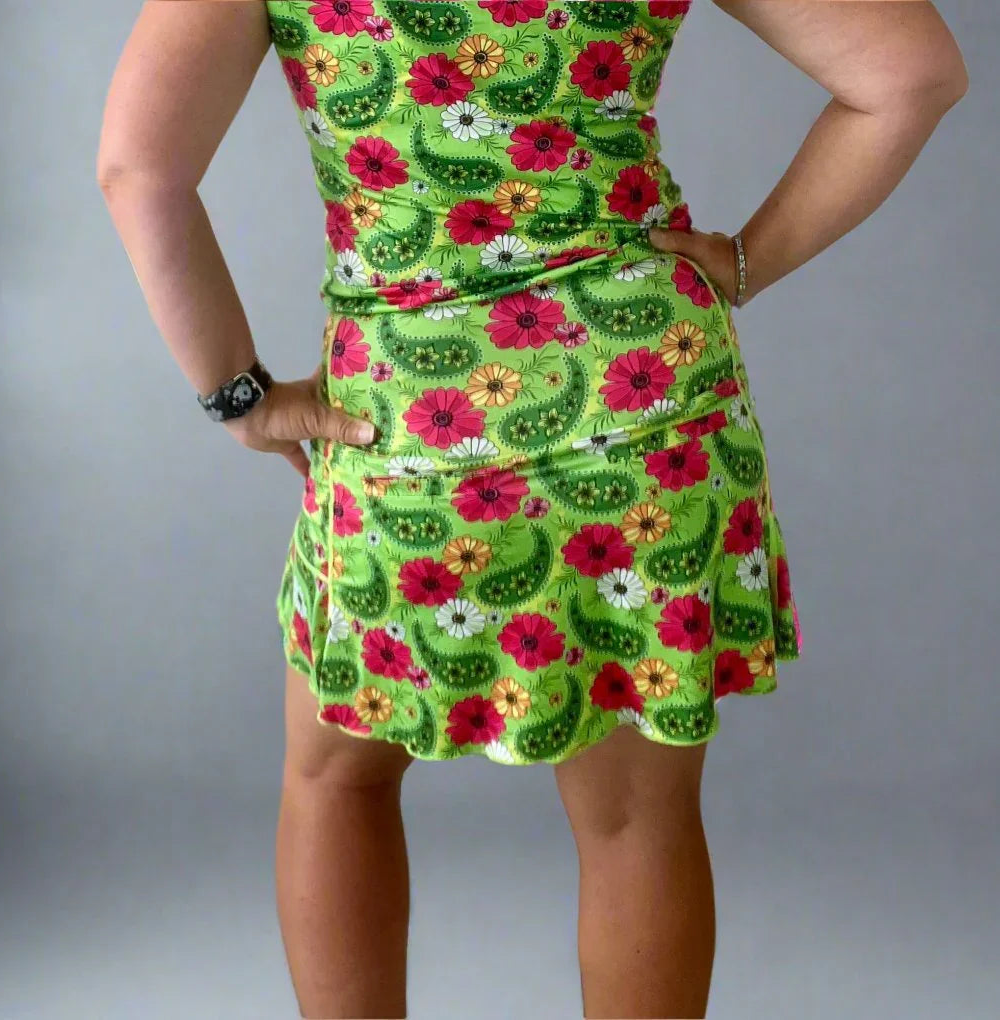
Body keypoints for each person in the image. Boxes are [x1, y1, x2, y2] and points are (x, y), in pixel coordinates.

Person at [97, 2, 968, 1016]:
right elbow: (910, 74)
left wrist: (239, 393)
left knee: (337, 780)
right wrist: (746, 260)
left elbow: (137, 168)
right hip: (642, 404)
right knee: (637, 823)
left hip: (406, 423)